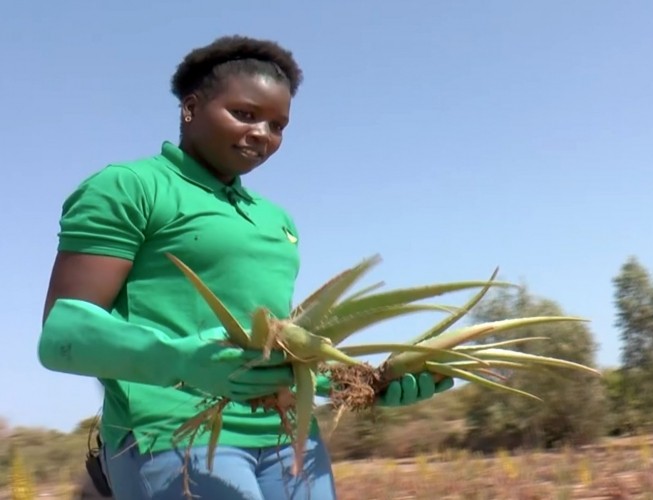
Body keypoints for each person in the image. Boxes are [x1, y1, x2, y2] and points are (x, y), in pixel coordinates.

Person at [37, 35, 453, 500]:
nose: (263, 134)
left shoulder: (276, 219)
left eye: (278, 125)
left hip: (289, 438)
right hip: (173, 435)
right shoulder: (129, 186)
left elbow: (274, 351)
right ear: (190, 108)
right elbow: (62, 334)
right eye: (245, 114)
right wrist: (182, 360)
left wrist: (366, 384)